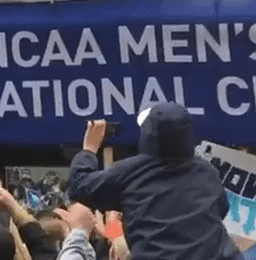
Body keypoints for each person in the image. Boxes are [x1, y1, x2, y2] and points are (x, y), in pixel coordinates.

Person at [67, 104, 242, 260]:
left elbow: (80, 185)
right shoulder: (207, 172)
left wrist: (89, 150)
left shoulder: (130, 175)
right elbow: (221, 209)